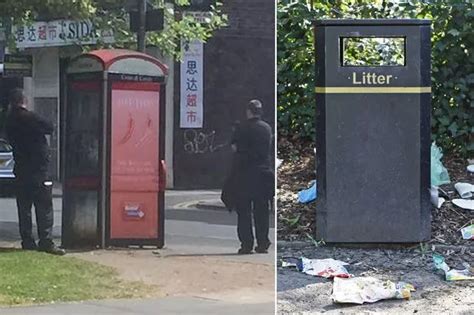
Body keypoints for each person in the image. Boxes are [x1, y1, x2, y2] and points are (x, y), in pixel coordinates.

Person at [5, 88, 65, 255]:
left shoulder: (10, 120)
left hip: (21, 169)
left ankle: (27, 240)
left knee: (24, 208)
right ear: (25, 101)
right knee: (44, 206)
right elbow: (50, 126)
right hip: (38, 170)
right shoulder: (30, 117)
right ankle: (46, 241)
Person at [223, 99, 274, 254]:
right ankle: (263, 243)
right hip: (263, 175)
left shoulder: (241, 128)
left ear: (248, 111)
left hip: (244, 175)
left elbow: (234, 147)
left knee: (244, 212)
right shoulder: (267, 128)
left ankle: (247, 245)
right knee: (262, 211)